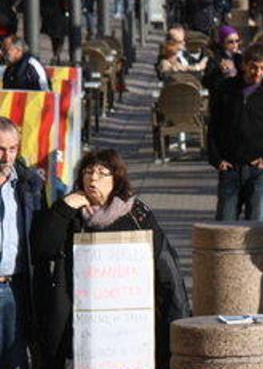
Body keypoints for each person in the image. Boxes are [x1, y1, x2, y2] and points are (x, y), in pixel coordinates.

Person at [32, 149, 190, 368]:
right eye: (88, 172)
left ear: (116, 179)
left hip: (129, 329)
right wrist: (64, 207)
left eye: (102, 173)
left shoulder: (137, 215)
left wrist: (177, 318)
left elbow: (166, 268)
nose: (93, 178)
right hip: (78, 323)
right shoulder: (72, 213)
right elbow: (42, 248)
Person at [208, 42, 263, 222]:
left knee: (257, 227)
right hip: (230, 167)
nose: (258, 73)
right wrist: (216, 159)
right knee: (225, 223)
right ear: (244, 65)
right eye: (253, 68)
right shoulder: (226, 89)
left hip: (258, 170)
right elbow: (213, 126)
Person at [0, 118, 45, 367]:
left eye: (12, 148)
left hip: (16, 289)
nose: (6, 157)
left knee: (15, 359)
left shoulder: (30, 185)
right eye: (0, 149)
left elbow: (44, 234)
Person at [40, 0, 68, 65]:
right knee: (61, 36)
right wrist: (67, 11)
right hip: (59, 15)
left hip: (48, 15)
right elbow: (64, 0)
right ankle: (57, 54)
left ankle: (55, 53)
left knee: (53, 37)